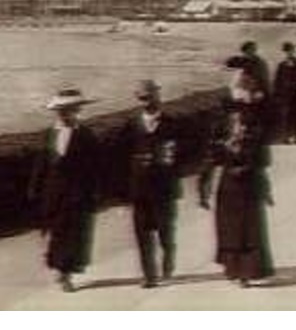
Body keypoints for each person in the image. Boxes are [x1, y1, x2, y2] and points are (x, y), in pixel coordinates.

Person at [27, 88, 102, 292]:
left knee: (73, 234)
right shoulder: (49, 135)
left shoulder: (86, 135)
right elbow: (41, 165)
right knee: (56, 232)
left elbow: (95, 168)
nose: (64, 114)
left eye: (68, 110)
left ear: (77, 110)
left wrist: (94, 193)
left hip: (77, 194)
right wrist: (34, 190)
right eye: (60, 110)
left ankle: (65, 273)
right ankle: (59, 267)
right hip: (52, 193)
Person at [199, 101, 274, 286]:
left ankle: (248, 272)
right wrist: (204, 189)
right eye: (235, 121)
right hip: (229, 189)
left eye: (242, 120)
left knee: (249, 230)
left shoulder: (255, 137)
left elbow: (263, 163)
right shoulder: (221, 141)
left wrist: (265, 190)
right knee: (230, 230)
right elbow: (209, 164)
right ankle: (234, 270)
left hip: (249, 187)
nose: (239, 124)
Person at [118, 80, 183, 288]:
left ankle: (168, 263)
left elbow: (183, 153)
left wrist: (173, 168)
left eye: (150, 97)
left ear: (158, 97)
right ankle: (149, 275)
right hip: (139, 189)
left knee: (166, 232)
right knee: (142, 233)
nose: (147, 102)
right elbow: (121, 155)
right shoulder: (131, 125)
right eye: (143, 98)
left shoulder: (172, 123)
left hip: (165, 188)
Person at [272, 42, 296, 144]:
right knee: (286, 116)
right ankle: (286, 137)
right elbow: (277, 80)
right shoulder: (281, 65)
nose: (288, 53)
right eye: (286, 51)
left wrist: (293, 70)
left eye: (290, 51)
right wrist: (276, 93)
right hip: (286, 94)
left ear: (293, 51)